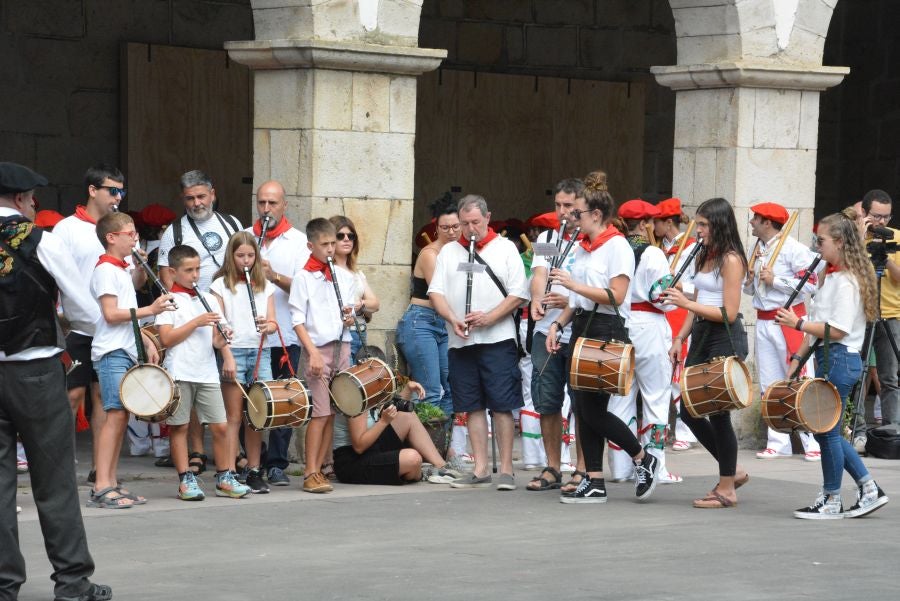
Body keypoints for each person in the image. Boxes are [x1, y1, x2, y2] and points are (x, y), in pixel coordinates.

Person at [1, 162, 112, 601]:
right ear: (25, 200)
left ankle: (4, 586)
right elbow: (85, 311)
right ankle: (71, 582)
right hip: (35, 371)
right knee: (54, 481)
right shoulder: (41, 241)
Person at [546, 174, 659, 503]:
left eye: (577, 213)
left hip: (607, 328)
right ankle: (594, 478)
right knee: (583, 406)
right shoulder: (584, 248)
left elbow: (617, 294)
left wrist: (572, 285)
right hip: (582, 325)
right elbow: (578, 300)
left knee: (592, 409)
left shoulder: (617, 245)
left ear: (596, 215)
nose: (572, 218)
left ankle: (641, 457)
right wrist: (559, 324)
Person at [777, 208, 890, 519]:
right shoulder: (832, 277)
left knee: (826, 432)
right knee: (829, 432)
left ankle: (832, 498)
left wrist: (796, 323)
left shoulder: (847, 282)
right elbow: (818, 325)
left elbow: (837, 329)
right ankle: (868, 489)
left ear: (839, 242)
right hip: (830, 357)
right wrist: (796, 361)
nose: (817, 246)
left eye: (821, 240)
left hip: (841, 358)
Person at [429, 194, 527, 491]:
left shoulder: (505, 248)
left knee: (501, 403)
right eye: (464, 224)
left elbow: (518, 293)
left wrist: (490, 318)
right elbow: (436, 293)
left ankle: (507, 469)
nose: (470, 229)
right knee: (470, 404)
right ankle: (481, 467)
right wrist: (452, 318)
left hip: (497, 338)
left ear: (487, 218)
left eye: (475, 222)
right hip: (462, 341)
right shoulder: (449, 252)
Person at [661, 197, 750, 509]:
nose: (697, 230)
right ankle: (732, 470)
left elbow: (729, 311)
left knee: (717, 412)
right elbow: (698, 301)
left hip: (723, 336)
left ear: (719, 225)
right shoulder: (704, 254)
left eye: (703, 225)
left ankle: (727, 488)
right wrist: (680, 337)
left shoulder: (731, 259)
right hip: (701, 334)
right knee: (688, 409)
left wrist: (686, 303)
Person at [53, 164, 141, 482]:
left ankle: (99, 471)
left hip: (110, 331)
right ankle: (58, 465)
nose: (118, 197)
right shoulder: (67, 229)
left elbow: (131, 279)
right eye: (112, 190)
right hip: (77, 326)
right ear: (93, 190)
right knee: (72, 396)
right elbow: (53, 274)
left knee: (104, 399)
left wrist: (142, 266)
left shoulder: (121, 231)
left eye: (121, 191)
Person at [157, 170, 242, 475]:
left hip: (222, 305)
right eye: (190, 198)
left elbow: (244, 257)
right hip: (189, 313)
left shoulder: (231, 223)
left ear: (212, 194)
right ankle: (196, 452)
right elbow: (167, 274)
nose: (196, 203)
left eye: (201, 196)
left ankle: (232, 460)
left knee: (226, 396)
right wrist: (183, 309)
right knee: (188, 403)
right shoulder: (175, 232)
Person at [89, 212, 172, 509]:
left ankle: (111, 482)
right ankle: (101, 485)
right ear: (111, 238)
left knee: (121, 417)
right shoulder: (105, 270)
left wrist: (145, 340)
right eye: (129, 233)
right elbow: (111, 314)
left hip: (123, 350)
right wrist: (151, 310)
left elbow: (130, 298)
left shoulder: (120, 269)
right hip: (111, 353)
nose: (135, 237)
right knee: (114, 416)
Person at [156, 245, 250, 500]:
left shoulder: (207, 298)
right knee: (180, 427)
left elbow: (215, 342)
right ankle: (186, 480)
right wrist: (196, 322)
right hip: (180, 371)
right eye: (189, 270)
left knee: (220, 426)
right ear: (173, 272)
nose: (195, 275)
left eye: (198, 269)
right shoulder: (168, 301)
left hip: (206, 372)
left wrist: (222, 338)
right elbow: (166, 339)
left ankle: (224, 478)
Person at [605, 199, 682, 485]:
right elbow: (662, 298)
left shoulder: (613, 248)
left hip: (619, 325)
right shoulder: (653, 253)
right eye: (651, 221)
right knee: (655, 397)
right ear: (644, 223)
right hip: (649, 326)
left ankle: (622, 468)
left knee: (619, 397)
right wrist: (675, 288)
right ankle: (656, 467)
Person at [743, 202, 822, 461]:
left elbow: (811, 283)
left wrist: (775, 280)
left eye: (756, 218)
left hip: (789, 320)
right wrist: (750, 279)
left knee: (801, 378)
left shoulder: (793, 249)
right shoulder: (758, 248)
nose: (752, 222)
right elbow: (754, 291)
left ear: (768, 222)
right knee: (770, 383)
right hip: (764, 321)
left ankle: (812, 439)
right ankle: (778, 441)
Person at [245, 180, 309, 486]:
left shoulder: (298, 241)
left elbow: (304, 288)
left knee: (284, 400)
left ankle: (277, 463)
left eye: (272, 203)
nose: (266, 209)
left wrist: (273, 276)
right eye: (262, 203)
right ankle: (251, 460)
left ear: (284, 205)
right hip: (249, 336)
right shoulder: (245, 237)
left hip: (285, 334)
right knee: (251, 401)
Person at [289, 218, 355, 493]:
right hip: (318, 350)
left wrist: (350, 317)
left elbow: (348, 312)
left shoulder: (345, 276)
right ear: (310, 245)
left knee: (331, 413)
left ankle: (322, 467)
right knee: (319, 412)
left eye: (333, 243)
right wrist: (312, 352)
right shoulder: (303, 278)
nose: (330, 249)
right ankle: (309, 471)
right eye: (325, 244)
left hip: (342, 346)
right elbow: (297, 319)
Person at [527, 179, 583, 491]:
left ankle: (583, 468)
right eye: (558, 205)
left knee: (582, 402)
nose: (561, 212)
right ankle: (552, 466)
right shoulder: (548, 237)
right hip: (543, 329)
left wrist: (569, 301)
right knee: (546, 400)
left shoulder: (588, 240)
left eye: (568, 206)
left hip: (577, 330)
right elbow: (539, 274)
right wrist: (537, 298)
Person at [210, 232, 277, 494]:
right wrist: (226, 353)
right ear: (231, 256)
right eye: (240, 256)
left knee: (257, 416)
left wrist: (267, 326)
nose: (246, 261)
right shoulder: (220, 285)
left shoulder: (265, 286)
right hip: (234, 351)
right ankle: (227, 471)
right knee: (234, 416)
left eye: (251, 256)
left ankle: (253, 469)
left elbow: (273, 321)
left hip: (260, 351)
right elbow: (218, 323)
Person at [396, 195, 461, 464]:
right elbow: (439, 292)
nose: (451, 232)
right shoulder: (430, 253)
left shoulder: (462, 253)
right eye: (445, 227)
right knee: (430, 389)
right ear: (436, 228)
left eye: (456, 226)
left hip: (445, 322)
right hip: (422, 321)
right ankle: (426, 454)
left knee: (449, 386)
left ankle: (443, 449)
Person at [332, 380, 464, 485]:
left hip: (372, 448)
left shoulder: (369, 390)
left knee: (407, 415)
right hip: (351, 461)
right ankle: (422, 472)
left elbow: (391, 408)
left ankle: (442, 467)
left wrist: (408, 389)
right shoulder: (355, 396)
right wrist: (383, 422)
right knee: (413, 459)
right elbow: (359, 447)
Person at [653, 197, 699, 452]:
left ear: (668, 222)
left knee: (679, 374)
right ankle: (665, 427)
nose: (653, 227)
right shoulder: (657, 248)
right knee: (663, 372)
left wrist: (682, 286)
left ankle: (685, 429)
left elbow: (701, 288)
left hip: (682, 313)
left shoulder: (693, 247)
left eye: (656, 222)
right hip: (661, 312)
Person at [858, 190, 900, 428]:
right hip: (861, 314)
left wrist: (886, 258)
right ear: (864, 214)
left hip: (891, 314)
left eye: (886, 217)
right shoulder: (856, 239)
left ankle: (892, 430)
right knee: (857, 374)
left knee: (889, 377)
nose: (882, 222)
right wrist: (859, 237)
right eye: (876, 216)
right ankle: (857, 429)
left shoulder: (897, 238)